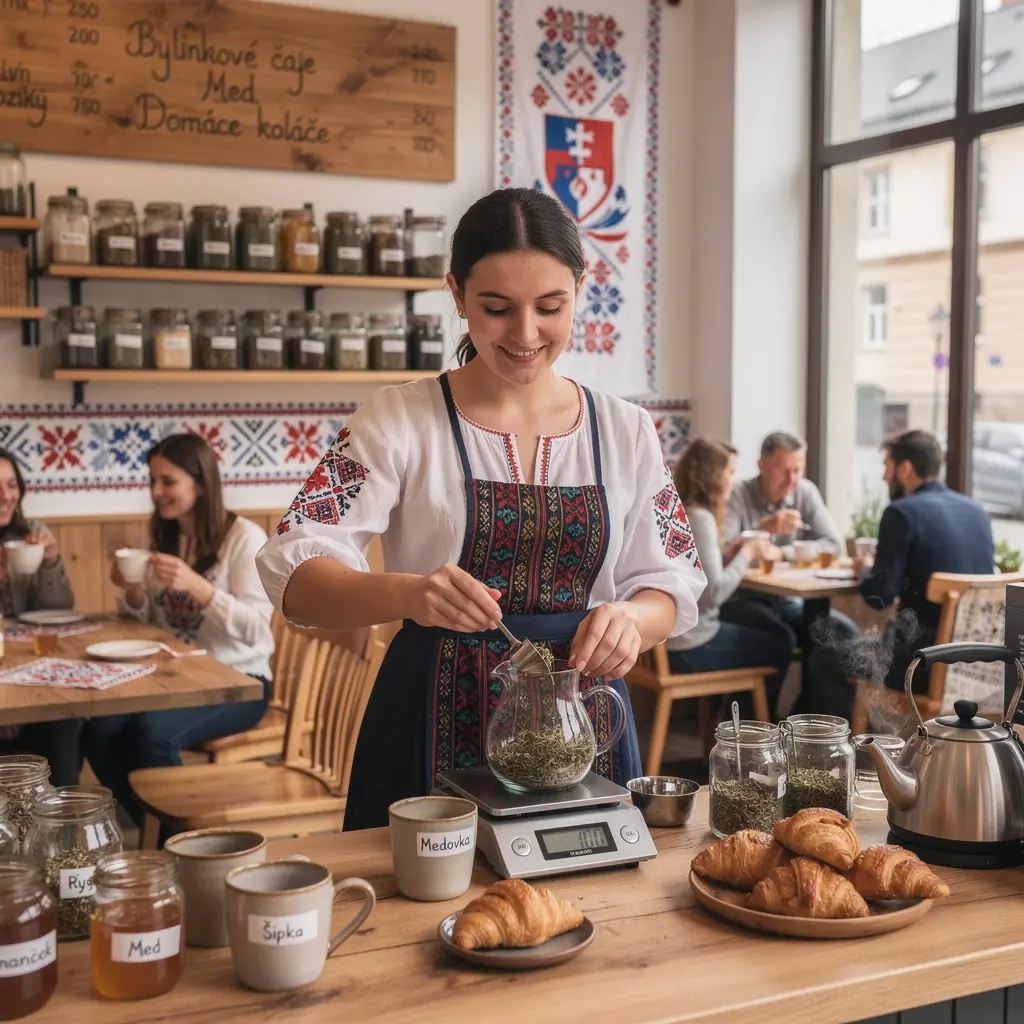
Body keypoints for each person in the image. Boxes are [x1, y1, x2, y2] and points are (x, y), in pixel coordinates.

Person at [257, 187, 706, 831]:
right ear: (457, 294)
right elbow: (295, 575)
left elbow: (672, 585)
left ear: (580, 290)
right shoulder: (397, 418)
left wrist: (630, 620)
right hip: (426, 721)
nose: (525, 334)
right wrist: (408, 593)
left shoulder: (626, 430)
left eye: (549, 307)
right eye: (496, 308)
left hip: (584, 726)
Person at [82, 434, 274, 835]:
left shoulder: (244, 539)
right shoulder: (166, 536)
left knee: (153, 734)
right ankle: (155, 831)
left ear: (201, 483)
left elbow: (257, 630)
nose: (156, 492)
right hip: (177, 681)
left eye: (168, 482)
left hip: (241, 683)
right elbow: (152, 623)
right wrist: (133, 591)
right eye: (152, 481)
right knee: (98, 730)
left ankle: (184, 845)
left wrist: (200, 588)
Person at [804, 430, 994, 721]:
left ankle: (840, 743)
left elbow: (879, 597)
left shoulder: (901, 513)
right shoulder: (977, 512)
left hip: (921, 665)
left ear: (905, 469)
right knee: (852, 640)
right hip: (976, 666)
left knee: (825, 659)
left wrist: (864, 569)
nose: (884, 477)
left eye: (887, 466)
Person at [667, 439, 794, 719]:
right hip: (692, 644)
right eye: (730, 472)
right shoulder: (701, 519)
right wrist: (747, 553)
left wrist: (729, 554)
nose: (733, 481)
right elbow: (714, 593)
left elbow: (697, 575)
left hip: (670, 642)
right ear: (712, 475)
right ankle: (753, 729)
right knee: (781, 643)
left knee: (768, 629)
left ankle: (737, 724)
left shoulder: (681, 512)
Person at [720, 431, 856, 655]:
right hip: (742, 598)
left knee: (844, 632)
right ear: (761, 466)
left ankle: (814, 680)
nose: (791, 479)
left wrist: (784, 553)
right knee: (782, 637)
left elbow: (834, 545)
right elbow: (723, 552)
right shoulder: (737, 494)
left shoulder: (805, 492)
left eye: (797, 470)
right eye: (783, 470)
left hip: (787, 599)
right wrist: (763, 528)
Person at [0, 447, 80, 785]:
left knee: (62, 713)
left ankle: (62, 808)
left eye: (11, 485)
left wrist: (50, 563)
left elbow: (59, 612)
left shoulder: (31, 532)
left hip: (26, 664)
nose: (6, 497)